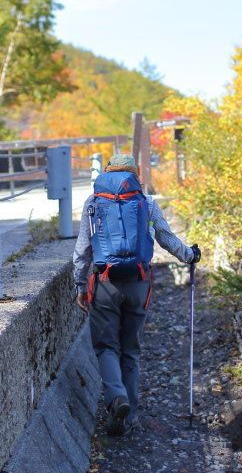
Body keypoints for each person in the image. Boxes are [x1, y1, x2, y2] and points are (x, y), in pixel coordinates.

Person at [73, 153, 200, 436]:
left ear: (107, 173)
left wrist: (80, 285)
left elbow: (83, 248)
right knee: (130, 350)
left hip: (104, 283)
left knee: (107, 347)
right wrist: (190, 255)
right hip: (138, 282)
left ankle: (116, 398)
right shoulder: (146, 202)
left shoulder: (93, 202)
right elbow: (165, 237)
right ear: (134, 175)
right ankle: (130, 417)